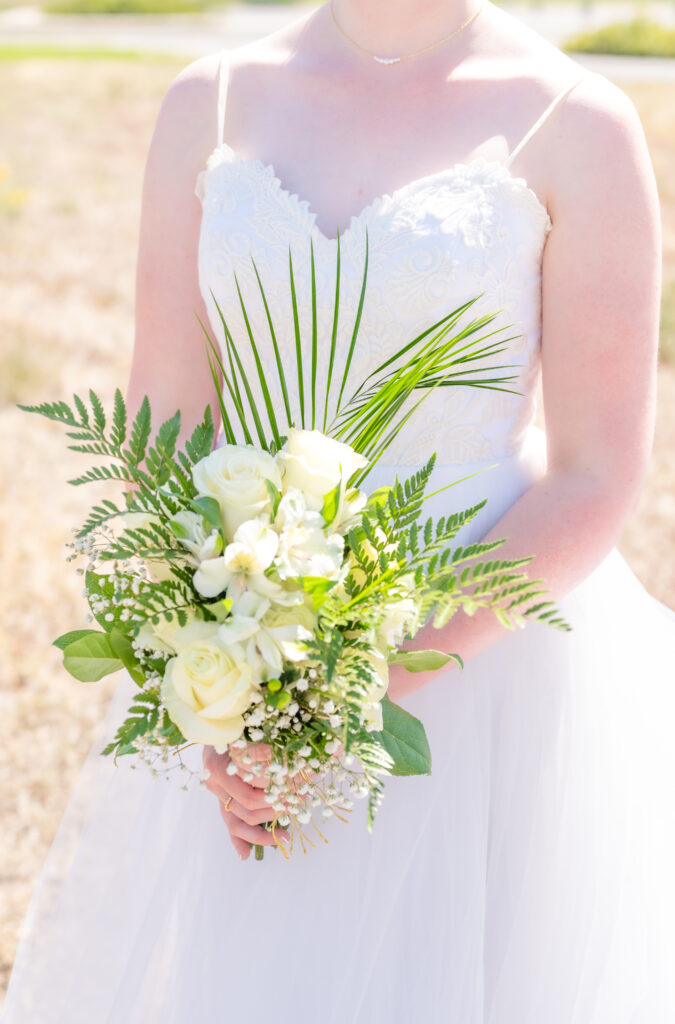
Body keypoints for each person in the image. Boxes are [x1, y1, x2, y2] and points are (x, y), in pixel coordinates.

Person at [3, 0, 675, 1020]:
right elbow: (162, 430)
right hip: (249, 655)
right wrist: (222, 680)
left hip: (485, 655)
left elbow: (597, 469)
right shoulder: (208, 102)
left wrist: (359, 688)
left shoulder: (576, 120)